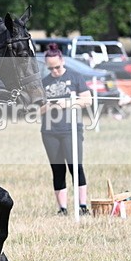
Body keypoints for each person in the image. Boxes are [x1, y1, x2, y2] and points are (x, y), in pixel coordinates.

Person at [40, 44, 93, 216]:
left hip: (71, 129)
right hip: (50, 132)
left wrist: (68, 103)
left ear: (62, 61)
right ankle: (62, 208)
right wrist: (48, 106)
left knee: (75, 166)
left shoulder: (75, 77)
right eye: (51, 68)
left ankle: (82, 206)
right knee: (57, 169)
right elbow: (35, 109)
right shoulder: (44, 83)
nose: (55, 71)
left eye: (57, 67)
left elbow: (87, 100)